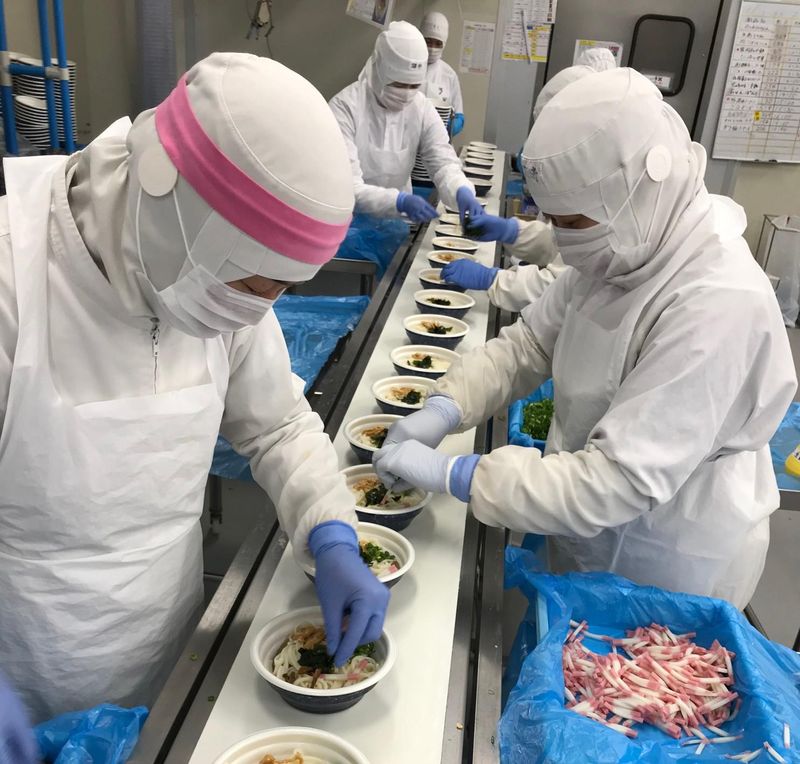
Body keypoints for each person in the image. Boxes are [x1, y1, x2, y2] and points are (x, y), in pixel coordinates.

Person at [0, 52, 389, 723]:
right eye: (251, 283)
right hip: (29, 669)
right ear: (170, 210)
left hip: (166, 648)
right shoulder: (14, 271)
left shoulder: (214, 282)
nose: (260, 308)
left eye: (280, 288)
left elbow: (277, 425)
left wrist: (329, 528)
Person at [373, 67, 796, 609]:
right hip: (586, 509)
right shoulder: (628, 244)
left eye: (571, 223)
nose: (560, 239)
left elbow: (619, 480)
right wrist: (446, 405)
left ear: (634, 194)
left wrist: (459, 474)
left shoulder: (717, 301)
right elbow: (529, 345)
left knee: (635, 661)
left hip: (666, 552)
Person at [442, 48, 618, 311]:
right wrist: (511, 231)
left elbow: (563, 287)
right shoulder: (592, 168)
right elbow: (559, 242)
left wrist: (493, 279)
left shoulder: (608, 188)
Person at [329, 21, 481, 225]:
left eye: (414, 86)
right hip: (349, 224)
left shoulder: (421, 107)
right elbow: (348, 186)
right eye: (399, 84)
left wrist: (461, 189)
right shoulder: (345, 108)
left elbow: (443, 162)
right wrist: (398, 201)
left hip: (397, 223)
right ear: (378, 70)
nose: (407, 93)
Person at [419, 12, 464, 136]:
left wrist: (450, 126)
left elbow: (459, 115)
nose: (432, 48)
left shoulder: (449, 75)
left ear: (444, 44)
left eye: (438, 43)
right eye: (428, 41)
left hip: (437, 138)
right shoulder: (407, 64)